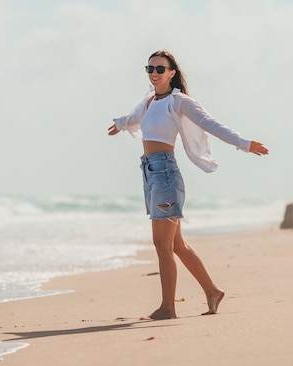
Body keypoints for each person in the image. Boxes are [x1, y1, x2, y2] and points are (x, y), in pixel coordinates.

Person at [108, 50, 268, 320]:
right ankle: (212, 291)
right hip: (149, 173)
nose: (154, 73)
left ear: (172, 72)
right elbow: (133, 117)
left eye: (160, 69)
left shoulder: (179, 101)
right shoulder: (148, 101)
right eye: (150, 69)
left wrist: (244, 144)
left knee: (162, 245)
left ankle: (168, 308)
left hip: (165, 174)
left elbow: (210, 123)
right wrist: (120, 124)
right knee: (177, 244)